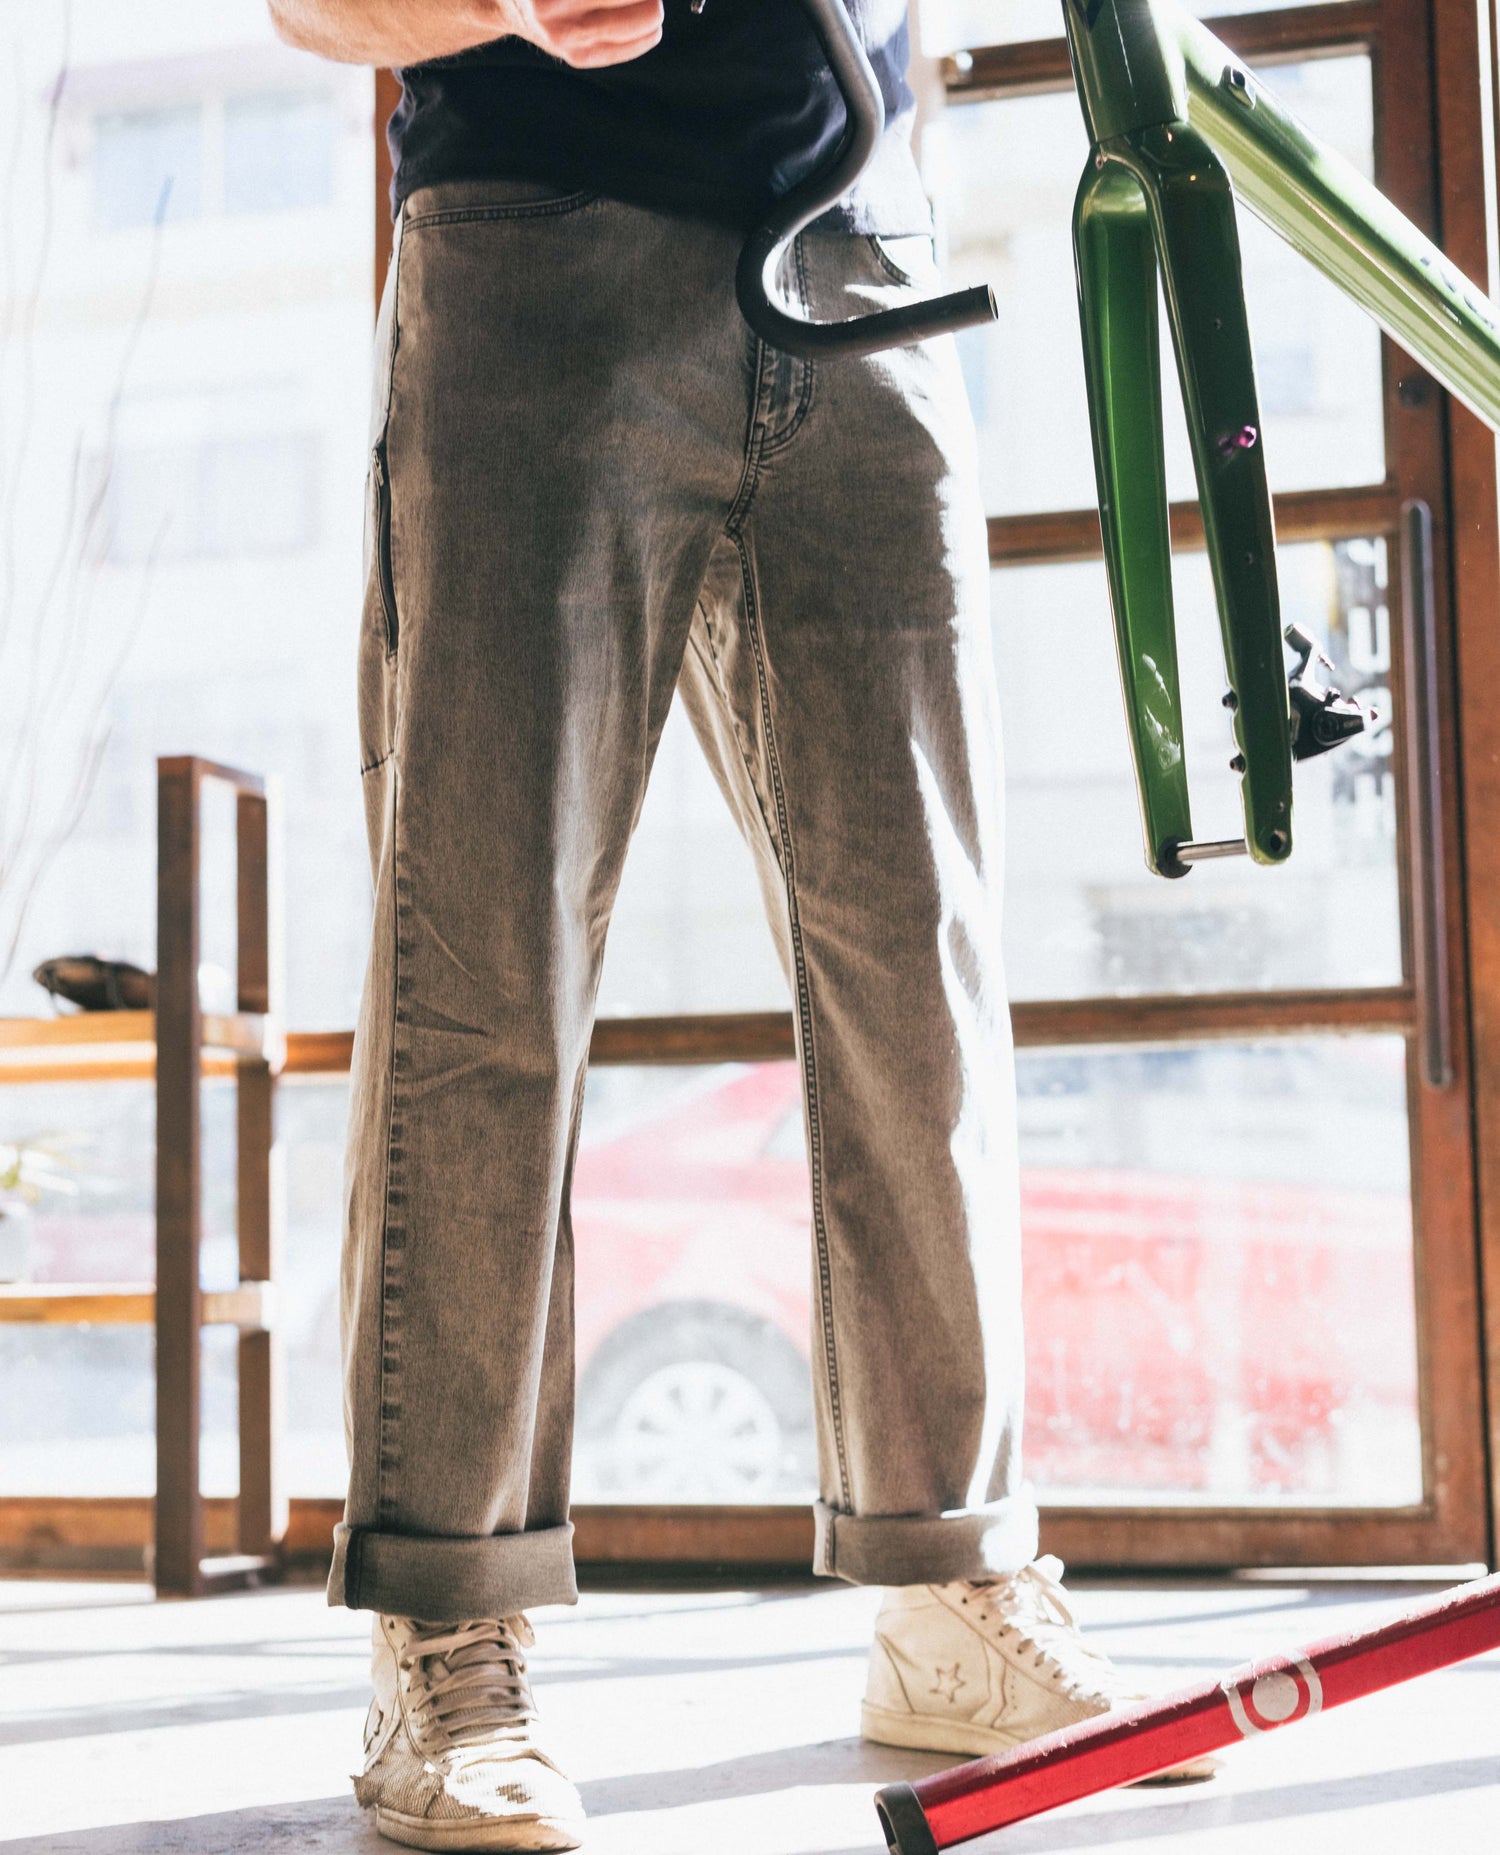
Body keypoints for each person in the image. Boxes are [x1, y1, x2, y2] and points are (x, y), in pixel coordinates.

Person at [267, 0, 1212, 1846]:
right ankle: (447, 1636)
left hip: (865, 259)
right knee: (487, 972)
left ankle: (952, 1589)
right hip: (532, 243)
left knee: (915, 970)